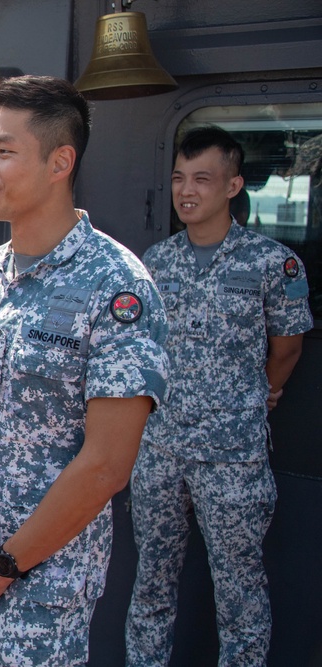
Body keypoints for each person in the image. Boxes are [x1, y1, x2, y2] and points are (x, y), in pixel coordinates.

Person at [0, 75, 170, 666]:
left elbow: (107, 462)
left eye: (5, 152)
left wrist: (4, 566)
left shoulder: (117, 285)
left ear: (61, 161)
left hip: (43, 584)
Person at [125, 126, 312, 666]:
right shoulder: (154, 263)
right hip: (158, 451)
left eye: (202, 179)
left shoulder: (271, 264)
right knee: (152, 583)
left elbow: (288, 349)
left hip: (231, 456)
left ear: (233, 185)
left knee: (240, 592)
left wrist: (266, 393)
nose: (187, 191)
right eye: (180, 178)